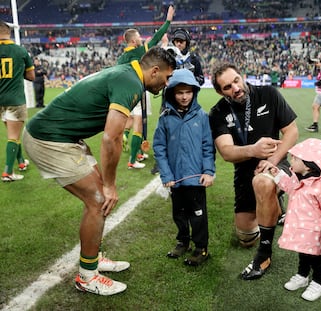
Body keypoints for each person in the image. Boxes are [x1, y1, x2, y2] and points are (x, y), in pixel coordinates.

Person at [22, 47, 176, 296]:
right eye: (167, 77)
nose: (167, 83)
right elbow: (110, 138)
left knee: (99, 201)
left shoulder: (127, 74)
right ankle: (87, 276)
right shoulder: (131, 82)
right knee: (99, 199)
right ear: (155, 71)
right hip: (48, 138)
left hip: (62, 135)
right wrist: (110, 184)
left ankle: (94, 257)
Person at [209, 62, 299, 280]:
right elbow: (227, 153)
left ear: (243, 76)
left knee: (263, 183)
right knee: (246, 238)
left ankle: (264, 254)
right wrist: (253, 150)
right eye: (227, 87)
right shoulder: (218, 112)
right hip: (244, 173)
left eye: (236, 80)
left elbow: (292, 132)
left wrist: (273, 160)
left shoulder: (268, 93)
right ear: (221, 92)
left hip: (277, 165)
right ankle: (275, 205)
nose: (235, 88)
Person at [153, 68, 215, 266]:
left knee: (198, 214)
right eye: (179, 92)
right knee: (178, 213)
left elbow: (208, 146)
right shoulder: (165, 118)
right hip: (175, 179)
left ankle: (201, 248)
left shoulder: (202, 117)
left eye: (188, 92)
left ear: (194, 92)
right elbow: (159, 148)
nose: (184, 96)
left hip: (196, 178)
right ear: (172, 93)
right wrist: (166, 174)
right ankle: (182, 241)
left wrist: (208, 171)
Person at [269, 138, 321, 302]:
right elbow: (288, 187)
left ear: (308, 164)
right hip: (299, 229)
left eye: (295, 158)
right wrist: (277, 174)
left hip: (314, 232)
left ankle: (318, 282)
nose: (291, 159)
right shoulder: (297, 179)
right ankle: (302, 276)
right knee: (302, 254)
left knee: (315, 258)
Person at [117, 5, 175, 169]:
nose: (142, 40)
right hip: (137, 92)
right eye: (140, 37)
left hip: (125, 94)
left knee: (134, 121)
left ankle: (137, 151)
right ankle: (133, 160)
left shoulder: (122, 57)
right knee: (139, 123)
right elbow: (156, 38)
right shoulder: (136, 52)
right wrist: (168, 20)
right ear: (134, 41)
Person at [151, 27, 205, 175]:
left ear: (187, 42)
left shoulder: (194, 59)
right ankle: (160, 162)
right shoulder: (169, 56)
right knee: (164, 131)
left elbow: (201, 79)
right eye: (176, 41)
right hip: (168, 102)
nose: (178, 44)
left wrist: (190, 80)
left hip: (188, 102)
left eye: (181, 41)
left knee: (190, 131)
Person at [0, 20, 35, 182]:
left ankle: (21, 162)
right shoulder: (20, 51)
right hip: (15, 98)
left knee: (12, 133)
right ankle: (8, 172)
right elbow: (31, 76)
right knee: (13, 136)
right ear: (9, 32)